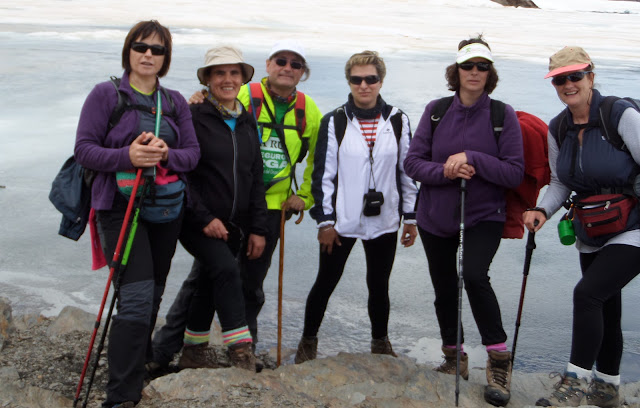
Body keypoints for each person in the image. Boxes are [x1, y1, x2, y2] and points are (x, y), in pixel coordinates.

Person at [150, 39, 322, 369]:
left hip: (268, 209)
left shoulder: (300, 112)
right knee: (213, 276)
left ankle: (216, 349)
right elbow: (194, 145)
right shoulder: (228, 103)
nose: (287, 67)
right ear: (268, 66)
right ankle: (219, 350)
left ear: (303, 73)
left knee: (244, 284)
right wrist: (196, 98)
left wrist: (307, 198)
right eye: (281, 61)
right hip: (213, 213)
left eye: (295, 64)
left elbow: (314, 159)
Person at [74, 20, 200, 408]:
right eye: (141, 46)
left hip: (164, 208)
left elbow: (192, 155)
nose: (148, 54)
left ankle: (140, 360)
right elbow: (84, 149)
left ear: (166, 58)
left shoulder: (176, 101)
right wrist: (126, 156)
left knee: (154, 290)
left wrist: (164, 154)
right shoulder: (105, 94)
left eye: (157, 50)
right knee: (136, 296)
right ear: (128, 50)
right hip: (118, 206)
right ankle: (121, 396)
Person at [403, 36, 524, 407]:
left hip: (483, 215)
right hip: (435, 214)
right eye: (468, 66)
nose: (475, 72)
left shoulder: (504, 115)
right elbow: (413, 162)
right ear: (456, 71)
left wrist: (472, 157)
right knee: (443, 284)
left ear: (491, 73)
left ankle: (499, 359)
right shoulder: (437, 110)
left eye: (482, 67)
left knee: (473, 275)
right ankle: (455, 356)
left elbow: (514, 173)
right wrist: (447, 170)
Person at [525, 46, 640, 408]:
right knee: (605, 306)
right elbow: (561, 182)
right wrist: (541, 211)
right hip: (593, 228)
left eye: (576, 76)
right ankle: (607, 390)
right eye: (561, 79)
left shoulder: (619, 115)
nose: (568, 84)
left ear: (591, 76)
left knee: (586, 294)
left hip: (634, 225)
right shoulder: (557, 127)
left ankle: (574, 386)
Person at [294, 50, 418, 364]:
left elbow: (407, 171)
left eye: (371, 79)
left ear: (381, 80)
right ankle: (308, 341)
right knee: (325, 281)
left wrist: (411, 217)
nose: (364, 86)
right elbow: (323, 173)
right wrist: (325, 222)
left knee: (379, 285)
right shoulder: (335, 121)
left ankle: (380, 343)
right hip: (341, 222)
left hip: (386, 220)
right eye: (356, 79)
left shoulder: (398, 120)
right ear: (349, 81)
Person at [165, 45, 268, 372]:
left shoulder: (248, 121)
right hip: (196, 222)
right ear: (207, 79)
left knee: (211, 280)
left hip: (236, 226)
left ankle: (193, 350)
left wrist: (258, 228)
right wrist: (204, 217)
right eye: (219, 72)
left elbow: (255, 177)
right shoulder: (193, 117)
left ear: (242, 78)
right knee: (225, 270)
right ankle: (241, 351)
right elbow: (182, 173)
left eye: (234, 72)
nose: (227, 79)